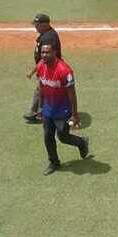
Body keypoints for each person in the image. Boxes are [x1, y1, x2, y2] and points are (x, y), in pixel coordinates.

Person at [36, 43, 89, 175]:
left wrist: (75, 114)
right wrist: (41, 107)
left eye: (47, 52)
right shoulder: (40, 66)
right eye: (42, 52)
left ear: (55, 52)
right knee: (48, 136)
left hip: (63, 110)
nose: (44, 55)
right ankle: (54, 162)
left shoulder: (64, 71)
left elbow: (72, 94)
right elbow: (41, 87)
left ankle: (82, 143)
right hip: (48, 108)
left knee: (63, 137)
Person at [24, 13, 62, 123]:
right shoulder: (45, 34)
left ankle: (39, 114)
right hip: (46, 68)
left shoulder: (49, 38)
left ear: (45, 25)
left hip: (50, 69)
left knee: (43, 90)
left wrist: (33, 71)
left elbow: (45, 59)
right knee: (42, 90)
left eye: (37, 25)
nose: (35, 27)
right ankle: (37, 112)